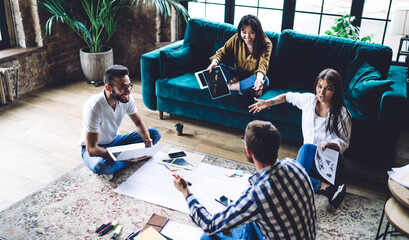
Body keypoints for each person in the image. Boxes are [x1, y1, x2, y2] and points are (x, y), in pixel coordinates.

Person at [173, 120, 316, 240]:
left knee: (207, 237)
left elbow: (209, 225)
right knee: (249, 218)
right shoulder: (294, 165)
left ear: (248, 150)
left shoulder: (256, 196)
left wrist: (185, 191)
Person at [249, 68, 352, 207]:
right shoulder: (309, 100)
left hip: (331, 164)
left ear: (335, 91)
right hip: (312, 165)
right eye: (319, 87)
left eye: (327, 89)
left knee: (306, 149)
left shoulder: (342, 114)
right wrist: (267, 103)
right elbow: (286, 96)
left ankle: (290, 194)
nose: (321, 92)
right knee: (284, 166)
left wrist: (329, 144)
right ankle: (326, 188)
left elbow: (344, 143)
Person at [80, 65, 161, 180]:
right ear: (108, 88)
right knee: (100, 166)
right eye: (123, 87)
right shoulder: (94, 107)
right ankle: (135, 157)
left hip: (115, 141)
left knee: (154, 134)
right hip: (96, 148)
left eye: (129, 86)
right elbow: (91, 149)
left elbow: (139, 123)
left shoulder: (126, 97)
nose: (128, 91)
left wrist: (148, 141)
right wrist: (122, 156)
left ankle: (123, 161)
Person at [207, 14, 272, 97]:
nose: (247, 37)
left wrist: (259, 79)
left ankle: (230, 87)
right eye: (244, 32)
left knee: (265, 80)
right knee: (219, 66)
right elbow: (222, 52)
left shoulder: (266, 43)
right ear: (240, 31)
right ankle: (244, 88)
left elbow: (263, 65)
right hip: (237, 75)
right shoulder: (237, 38)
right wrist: (214, 62)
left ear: (257, 32)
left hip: (254, 77)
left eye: (251, 33)